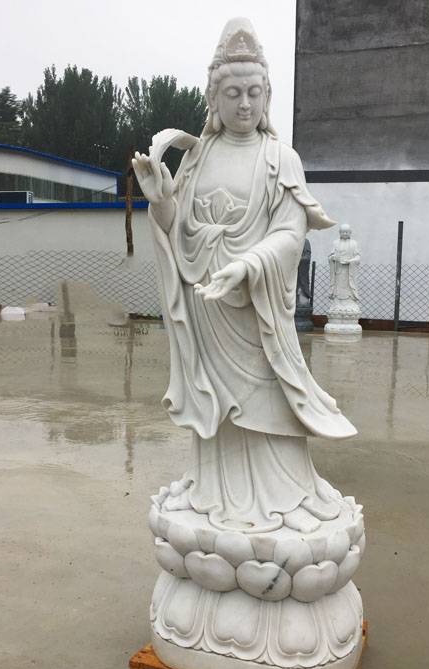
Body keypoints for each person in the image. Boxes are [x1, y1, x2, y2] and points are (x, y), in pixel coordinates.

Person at [133, 17, 356, 534]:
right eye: (233, 94)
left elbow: (291, 233)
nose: (244, 105)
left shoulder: (281, 159)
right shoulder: (197, 156)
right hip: (205, 301)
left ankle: (283, 492)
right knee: (215, 404)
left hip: (253, 305)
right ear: (214, 98)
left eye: (254, 93)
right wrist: (161, 201)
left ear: (267, 96)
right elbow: (178, 229)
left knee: (266, 397)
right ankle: (212, 487)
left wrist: (246, 265)